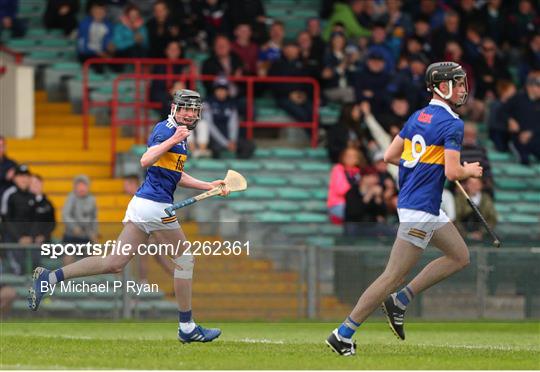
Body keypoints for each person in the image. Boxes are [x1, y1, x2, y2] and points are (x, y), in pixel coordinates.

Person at [28, 89, 230, 344]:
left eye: (193, 109)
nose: (190, 113)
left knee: (114, 262)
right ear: (175, 108)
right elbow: (146, 159)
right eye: (186, 108)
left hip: (144, 205)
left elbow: (175, 175)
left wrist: (208, 185)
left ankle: (50, 277)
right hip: (155, 207)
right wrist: (173, 139)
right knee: (185, 260)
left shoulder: (180, 135)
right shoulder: (167, 130)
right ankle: (187, 326)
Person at [326, 62, 483, 356]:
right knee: (391, 276)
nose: (463, 89)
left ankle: (401, 301)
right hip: (420, 210)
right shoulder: (452, 123)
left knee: (460, 256)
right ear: (443, 86)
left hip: (423, 206)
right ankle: (342, 334)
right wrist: (469, 170)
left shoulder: (418, 116)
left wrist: (424, 165)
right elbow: (451, 172)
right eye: (458, 83)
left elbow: (390, 155)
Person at [122, 174, 174, 283]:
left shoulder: (142, 198)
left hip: (149, 233)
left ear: (134, 184)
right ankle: (177, 278)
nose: (124, 187)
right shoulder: (140, 197)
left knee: (144, 257)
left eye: (126, 184)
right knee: (160, 259)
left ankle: (142, 282)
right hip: (150, 233)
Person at [1, 165, 36, 275]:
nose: (24, 179)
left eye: (26, 176)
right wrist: (19, 237)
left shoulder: (33, 196)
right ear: (14, 178)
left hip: (31, 240)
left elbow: (36, 220)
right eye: (20, 176)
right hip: (12, 240)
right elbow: (5, 219)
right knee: (17, 269)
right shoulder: (9, 194)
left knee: (36, 265)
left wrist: (31, 236)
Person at [61, 175, 98, 265]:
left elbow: (94, 218)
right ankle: (66, 277)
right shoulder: (71, 197)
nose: (81, 188)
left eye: (83, 185)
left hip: (87, 236)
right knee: (68, 258)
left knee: (96, 257)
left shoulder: (92, 199)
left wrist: (94, 232)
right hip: (71, 237)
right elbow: (65, 215)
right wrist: (74, 227)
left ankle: (93, 278)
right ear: (75, 187)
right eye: (79, 186)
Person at [455, 177, 497, 242]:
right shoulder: (460, 198)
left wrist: (481, 232)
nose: (473, 186)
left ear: (481, 185)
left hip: (483, 233)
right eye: (471, 184)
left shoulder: (486, 199)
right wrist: (466, 234)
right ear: (466, 185)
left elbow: (492, 218)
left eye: (476, 184)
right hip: (462, 234)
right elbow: (456, 218)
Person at [76, 1, 114, 73]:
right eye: (97, 10)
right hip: (87, 54)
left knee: (118, 60)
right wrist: (98, 52)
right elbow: (82, 46)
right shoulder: (84, 24)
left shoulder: (109, 25)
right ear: (92, 11)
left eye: (102, 10)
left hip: (102, 53)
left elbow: (108, 41)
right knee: (98, 64)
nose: (99, 13)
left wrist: (110, 47)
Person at [29, 175, 56, 245]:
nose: (35, 185)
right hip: (27, 242)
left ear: (41, 183)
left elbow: (52, 223)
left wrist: (43, 236)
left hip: (44, 242)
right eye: (32, 183)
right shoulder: (23, 202)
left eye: (37, 182)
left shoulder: (48, 204)